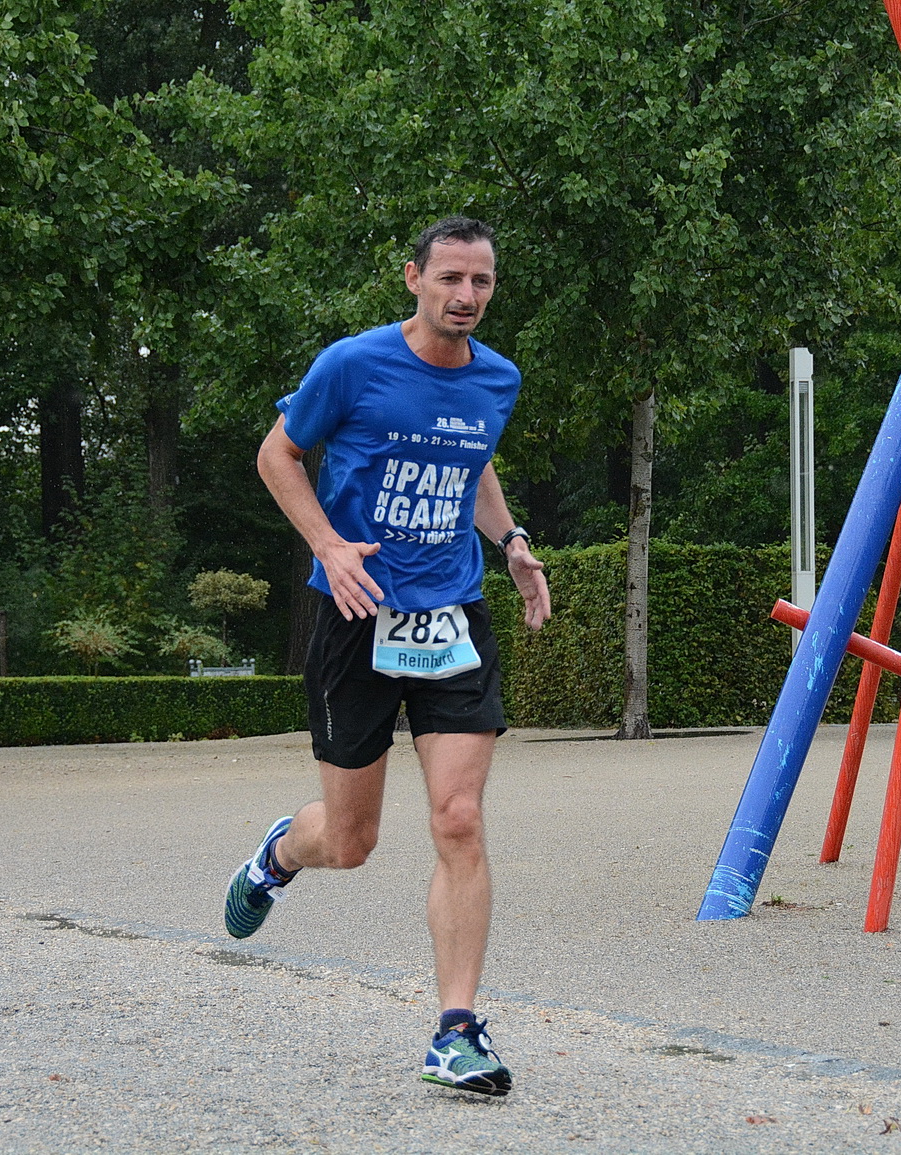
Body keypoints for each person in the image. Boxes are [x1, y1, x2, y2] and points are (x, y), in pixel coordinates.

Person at [228, 216, 550, 1098]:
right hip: (356, 614)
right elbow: (277, 454)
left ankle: (456, 1029)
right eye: (450, 278)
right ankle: (282, 855)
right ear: (413, 277)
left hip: (452, 617)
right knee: (353, 838)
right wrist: (329, 545)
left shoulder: (498, 378)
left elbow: (473, 463)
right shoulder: (353, 365)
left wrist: (512, 539)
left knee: (458, 817)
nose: (466, 296)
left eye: (480, 281)